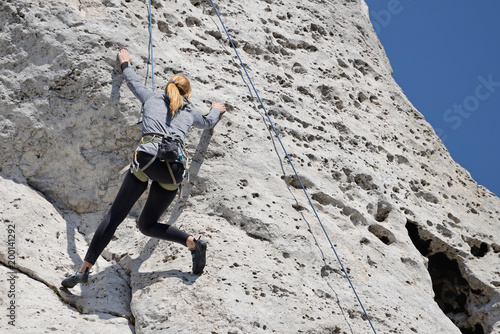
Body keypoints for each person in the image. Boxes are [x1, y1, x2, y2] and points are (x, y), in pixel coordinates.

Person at [62, 48, 226, 288]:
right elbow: (209, 122)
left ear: (168, 86)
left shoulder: (151, 98)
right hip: (173, 169)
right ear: (187, 94)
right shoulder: (190, 112)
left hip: (147, 160)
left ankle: (84, 269)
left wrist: (125, 62)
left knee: (115, 216)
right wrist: (215, 108)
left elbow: (132, 81)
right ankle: (192, 242)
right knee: (147, 225)